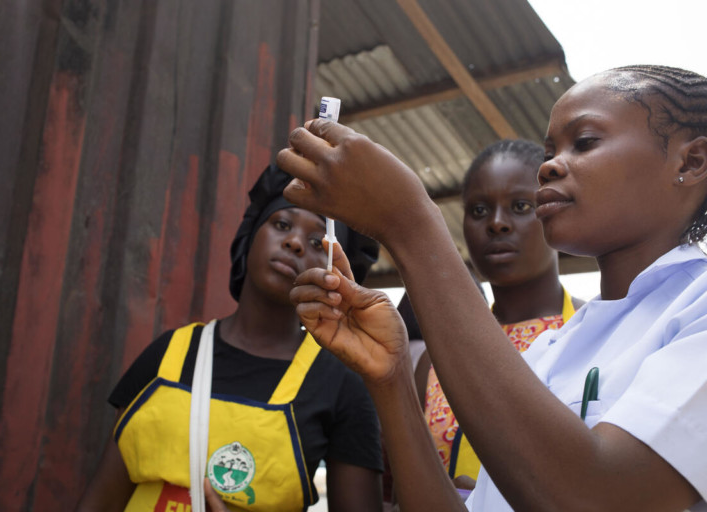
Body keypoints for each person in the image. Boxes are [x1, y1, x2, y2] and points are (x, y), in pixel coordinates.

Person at [278, 65, 707, 511]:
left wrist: (410, 224)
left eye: (584, 142)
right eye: (550, 151)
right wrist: (392, 379)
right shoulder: (550, 350)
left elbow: (595, 499)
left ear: (691, 162)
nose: (549, 166)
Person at [76, 164, 384, 512]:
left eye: (317, 243)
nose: (295, 243)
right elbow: (101, 500)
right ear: (250, 235)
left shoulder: (341, 387)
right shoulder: (168, 354)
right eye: (282, 224)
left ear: (336, 275)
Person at [414, 139, 585, 492]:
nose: (496, 223)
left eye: (521, 206)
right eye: (479, 210)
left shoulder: (594, 329)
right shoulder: (438, 358)